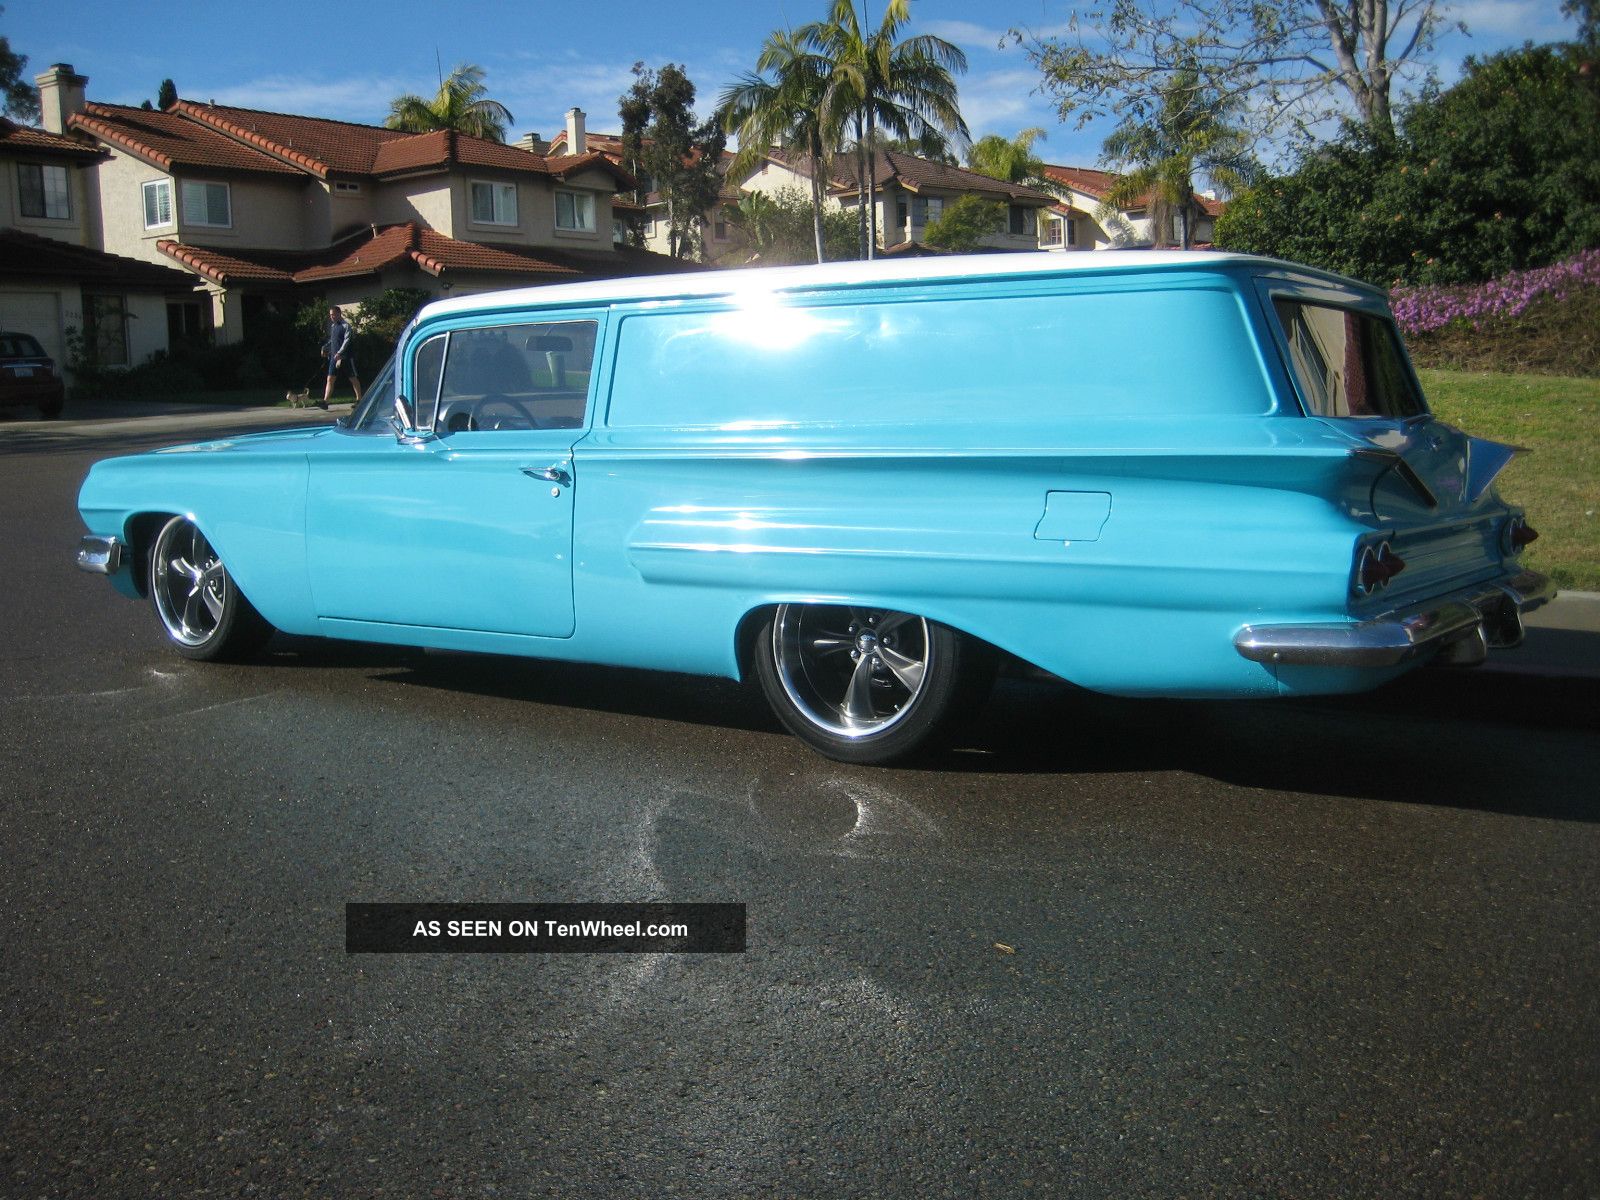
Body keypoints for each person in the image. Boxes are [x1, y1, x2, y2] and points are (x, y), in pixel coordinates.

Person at [319, 305, 362, 409]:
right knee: (330, 378)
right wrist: (325, 348)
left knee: (352, 378)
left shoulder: (346, 326)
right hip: (334, 358)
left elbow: (346, 342)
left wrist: (340, 352)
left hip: (345, 357)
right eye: (330, 315)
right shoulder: (333, 326)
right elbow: (332, 341)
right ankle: (325, 402)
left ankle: (359, 399)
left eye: (333, 314)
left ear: (339, 313)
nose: (332, 317)